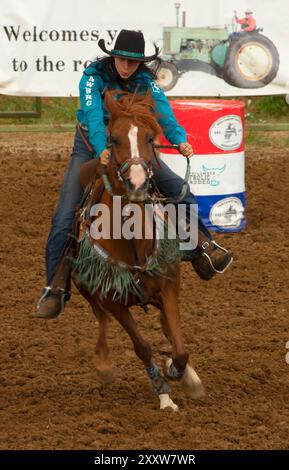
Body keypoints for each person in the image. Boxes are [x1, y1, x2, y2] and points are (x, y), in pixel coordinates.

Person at [36, 29, 233, 319]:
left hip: (133, 149)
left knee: (178, 189)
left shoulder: (145, 82)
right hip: (92, 145)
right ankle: (55, 287)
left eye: (133, 62)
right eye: (122, 60)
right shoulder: (92, 78)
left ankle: (200, 247)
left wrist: (179, 139)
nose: (127, 67)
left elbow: (164, 112)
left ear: (140, 63)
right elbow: (92, 117)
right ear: (113, 57)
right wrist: (102, 149)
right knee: (65, 214)